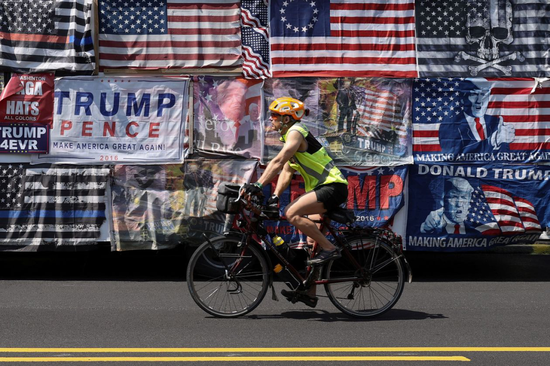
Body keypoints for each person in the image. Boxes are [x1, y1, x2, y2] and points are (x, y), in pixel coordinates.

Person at [243, 97, 349, 307]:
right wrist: (274, 195)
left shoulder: (296, 132)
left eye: (274, 115)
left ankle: (331, 249)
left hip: (333, 186)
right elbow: (287, 169)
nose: (271, 119)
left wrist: (258, 184)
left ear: (286, 118)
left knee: (291, 213)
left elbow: (279, 160)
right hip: (324, 188)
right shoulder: (291, 136)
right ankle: (310, 293)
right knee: (312, 246)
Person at [439, 81, 515, 155]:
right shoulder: (449, 125)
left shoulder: (496, 122)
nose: (479, 101)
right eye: (474, 94)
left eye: (483, 94)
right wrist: (491, 141)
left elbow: (504, 157)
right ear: (462, 98)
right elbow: (452, 156)